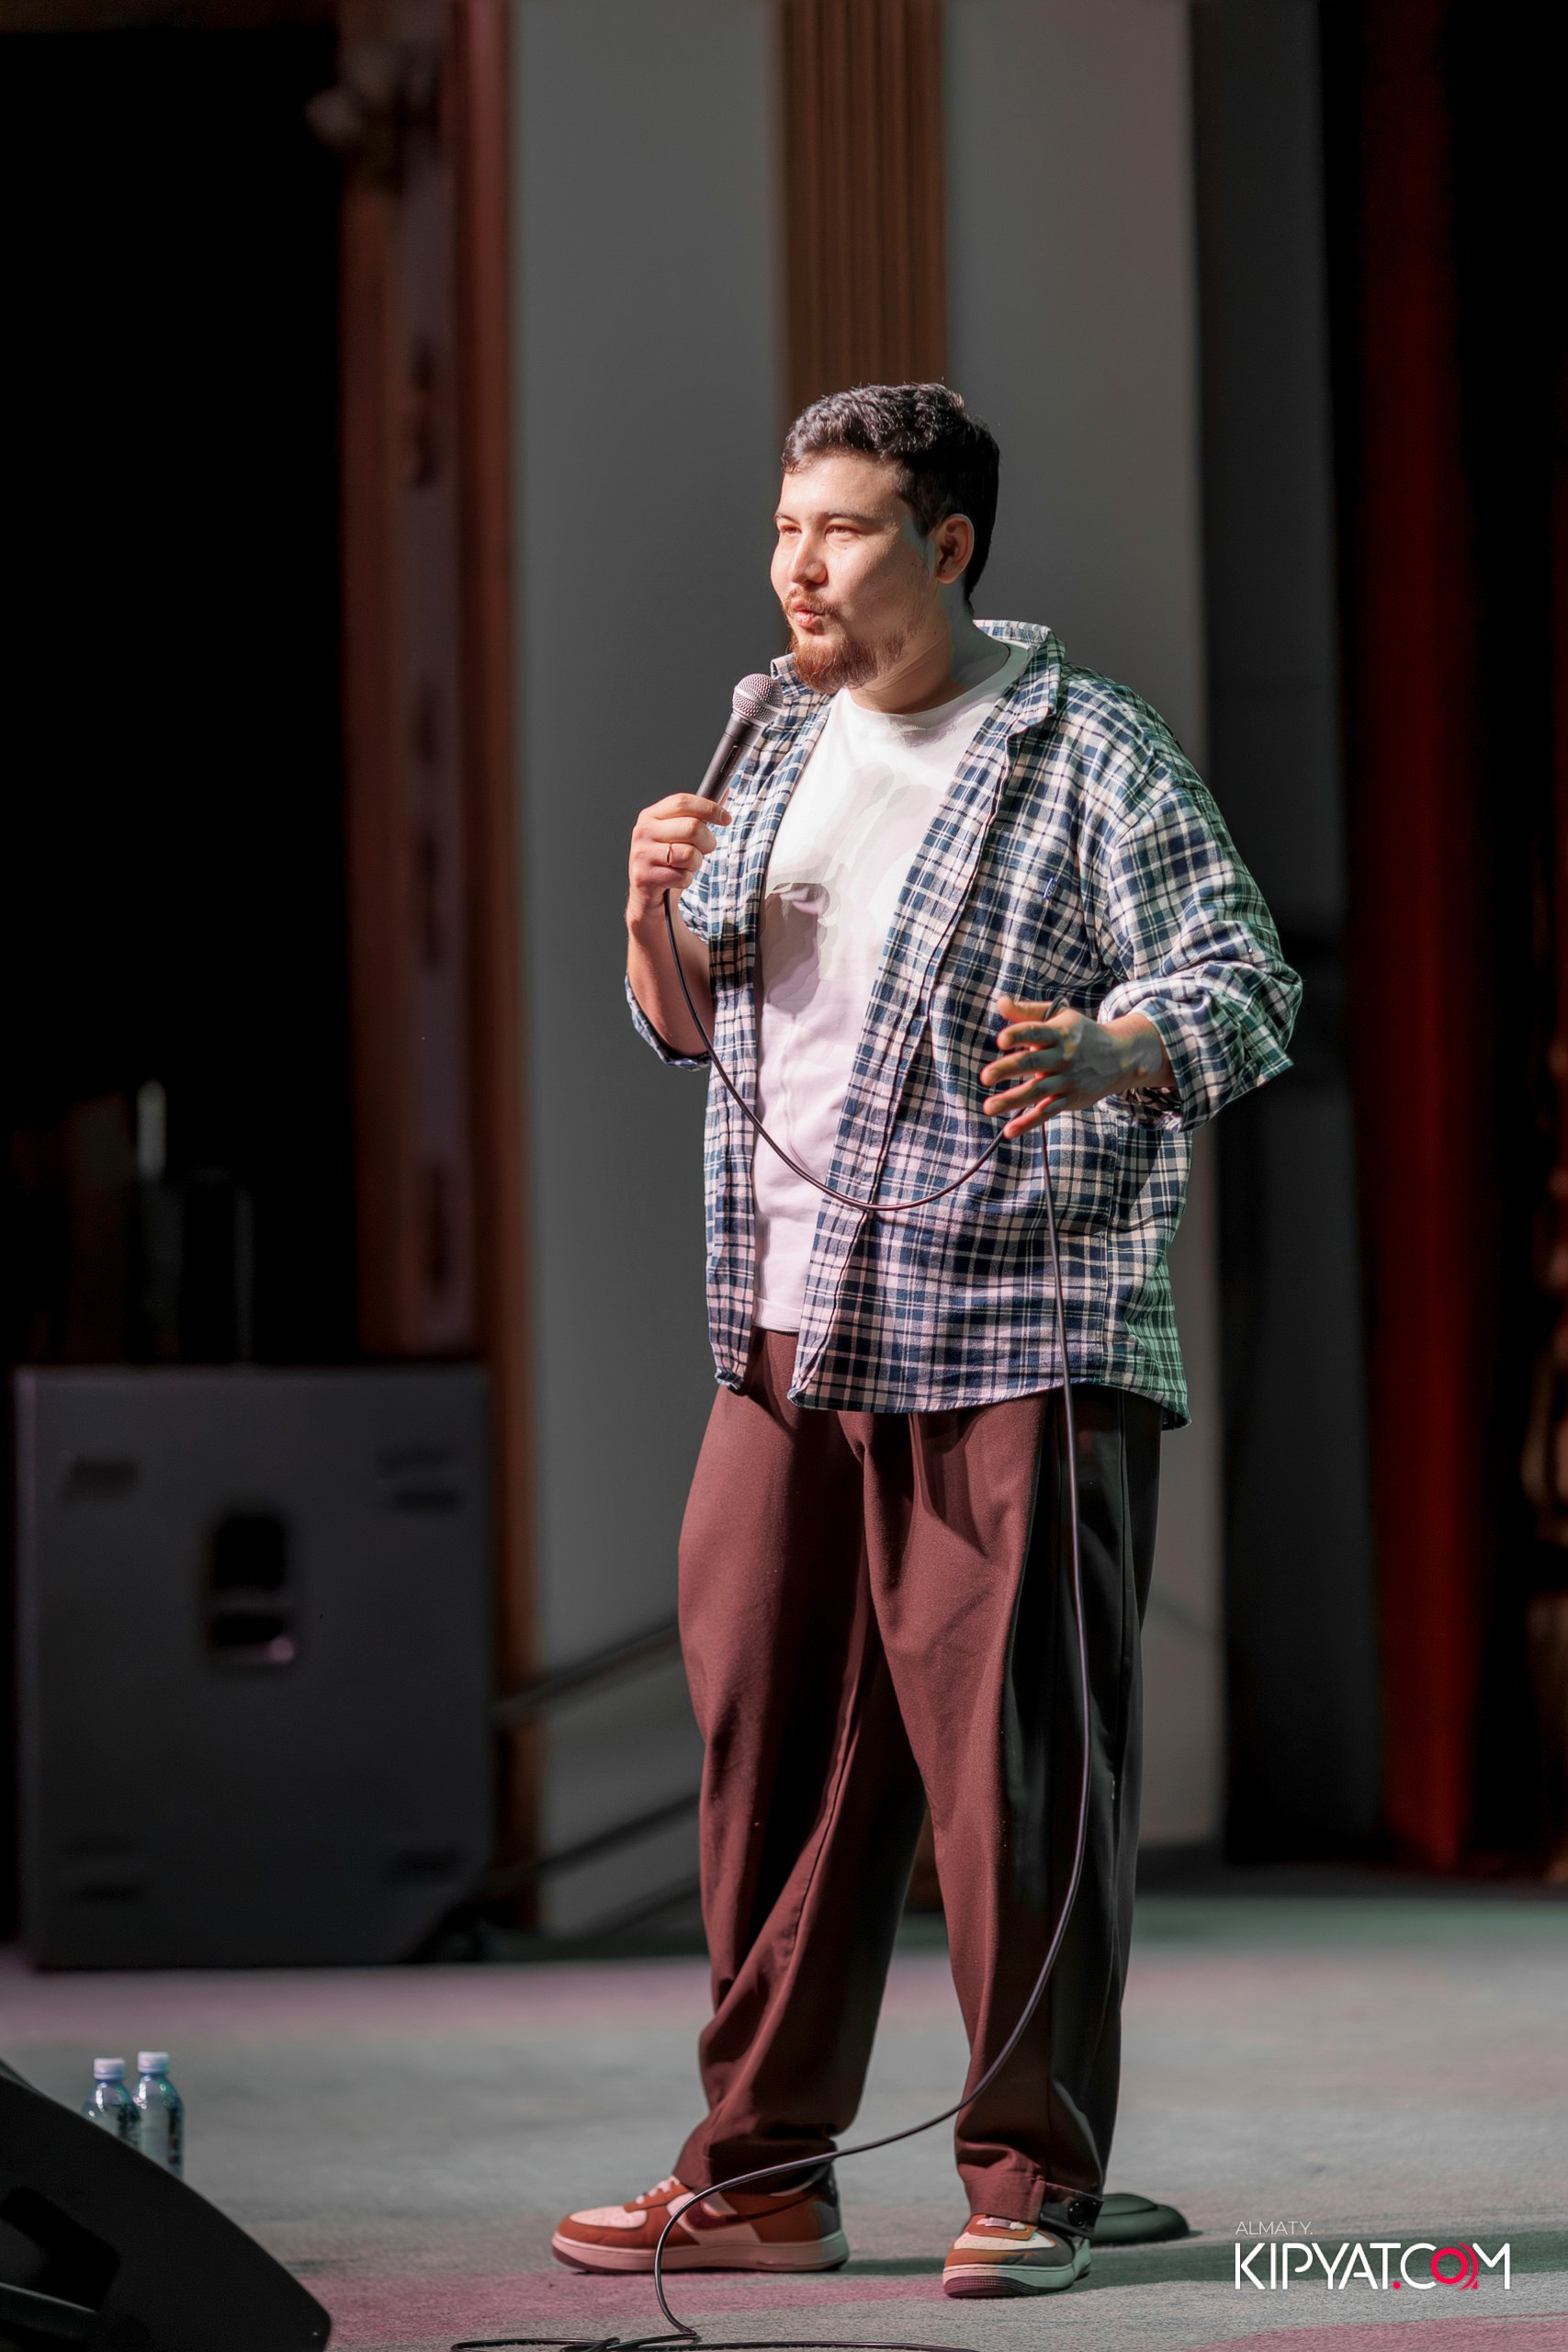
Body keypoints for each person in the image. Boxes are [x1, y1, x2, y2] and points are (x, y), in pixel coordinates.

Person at [552, 383, 1299, 2298]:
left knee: (1014, 1782)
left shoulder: (1084, 745)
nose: (795, 564)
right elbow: (696, 1023)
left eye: (840, 528)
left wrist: (1118, 1047)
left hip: (1011, 1327)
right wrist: (646, 914)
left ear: (945, 547)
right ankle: (760, 2175)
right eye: (782, 526)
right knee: (765, 1757)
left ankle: (1029, 2176)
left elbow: (1243, 981)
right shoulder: (768, 729)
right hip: (785, 1330)